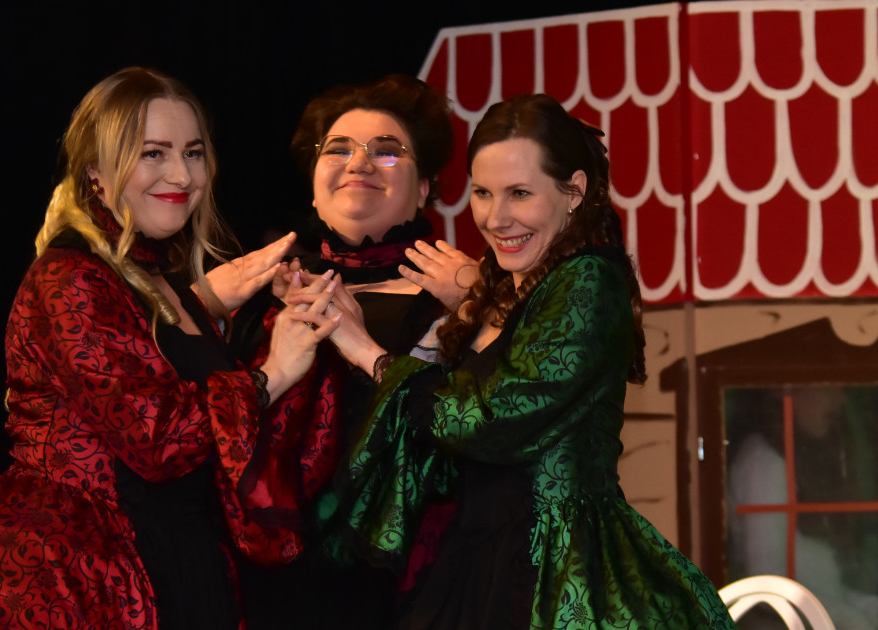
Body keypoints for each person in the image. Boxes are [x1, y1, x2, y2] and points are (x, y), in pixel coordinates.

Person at [0, 67, 343, 630]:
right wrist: (270, 374)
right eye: (152, 153)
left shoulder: (158, 282)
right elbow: (157, 440)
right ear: (96, 168)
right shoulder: (67, 278)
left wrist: (232, 311)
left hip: (169, 563)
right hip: (62, 579)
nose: (180, 174)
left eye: (192, 153)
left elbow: (206, 419)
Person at [315, 94, 736, 629]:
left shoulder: (589, 279)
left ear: (574, 191)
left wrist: (366, 352)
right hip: (484, 559)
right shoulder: (519, 290)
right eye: (482, 193)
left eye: (520, 193)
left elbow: (485, 420)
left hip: (557, 572)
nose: (496, 218)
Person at [232, 74, 475, 630]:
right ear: (313, 186)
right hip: (275, 583)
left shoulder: (461, 298)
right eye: (338, 150)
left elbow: (468, 437)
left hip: (409, 583)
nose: (360, 162)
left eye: (387, 152)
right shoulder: (255, 295)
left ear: (423, 189)